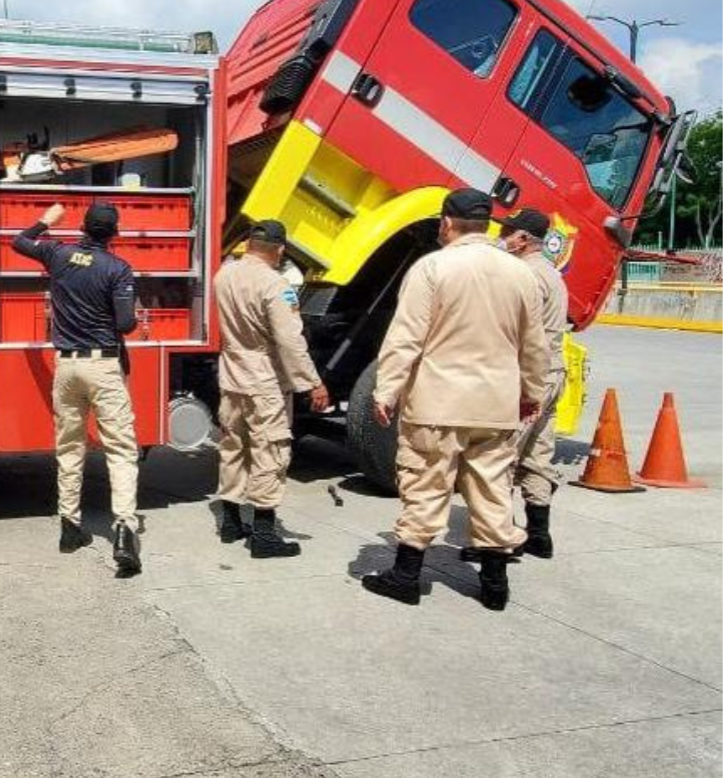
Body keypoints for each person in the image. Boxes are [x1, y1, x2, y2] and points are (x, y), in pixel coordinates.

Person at [361, 188, 547, 610]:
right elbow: (534, 346)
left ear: (446, 222)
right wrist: (531, 393)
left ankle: (406, 578)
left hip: (437, 403)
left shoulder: (432, 268)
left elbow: (405, 336)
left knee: (425, 485)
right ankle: (495, 586)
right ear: (489, 224)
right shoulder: (521, 274)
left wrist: (386, 389)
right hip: (496, 406)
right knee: (493, 489)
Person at [12, 201, 142, 576]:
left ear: (84, 227)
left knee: (69, 446)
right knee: (119, 448)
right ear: (113, 233)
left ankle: (70, 527)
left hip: (66, 366)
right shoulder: (117, 268)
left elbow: (21, 242)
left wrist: (45, 221)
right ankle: (124, 532)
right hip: (102, 366)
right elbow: (126, 323)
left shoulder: (58, 252)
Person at [213, 220, 330, 558]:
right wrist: (313, 382)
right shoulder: (276, 285)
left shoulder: (225, 275)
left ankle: (231, 522)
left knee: (233, 446)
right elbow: (290, 341)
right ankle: (264, 534)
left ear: (249, 244)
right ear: (279, 250)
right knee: (270, 451)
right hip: (265, 380)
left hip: (232, 374)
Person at [498, 208, 569, 558]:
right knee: (538, 455)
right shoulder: (552, 273)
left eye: (508, 232)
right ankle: (539, 535)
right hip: (555, 372)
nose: (503, 237)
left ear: (524, 239)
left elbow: (512, 331)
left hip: (529, 377)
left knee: (500, 457)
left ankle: (500, 541)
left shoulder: (524, 275)